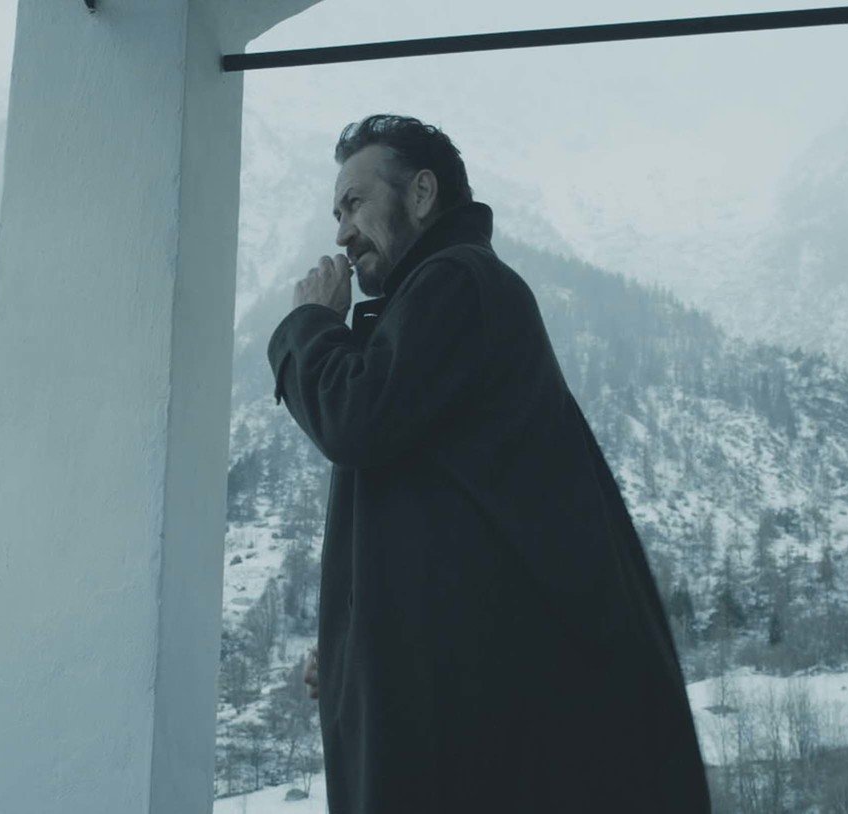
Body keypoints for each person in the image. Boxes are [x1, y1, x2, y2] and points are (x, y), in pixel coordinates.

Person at [268, 113, 711, 813]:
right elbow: (449, 523)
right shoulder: (434, 301)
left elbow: (356, 420)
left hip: (484, 733)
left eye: (354, 204)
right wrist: (363, 641)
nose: (342, 233)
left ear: (420, 194)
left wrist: (311, 326)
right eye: (336, 214)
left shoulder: (456, 282)